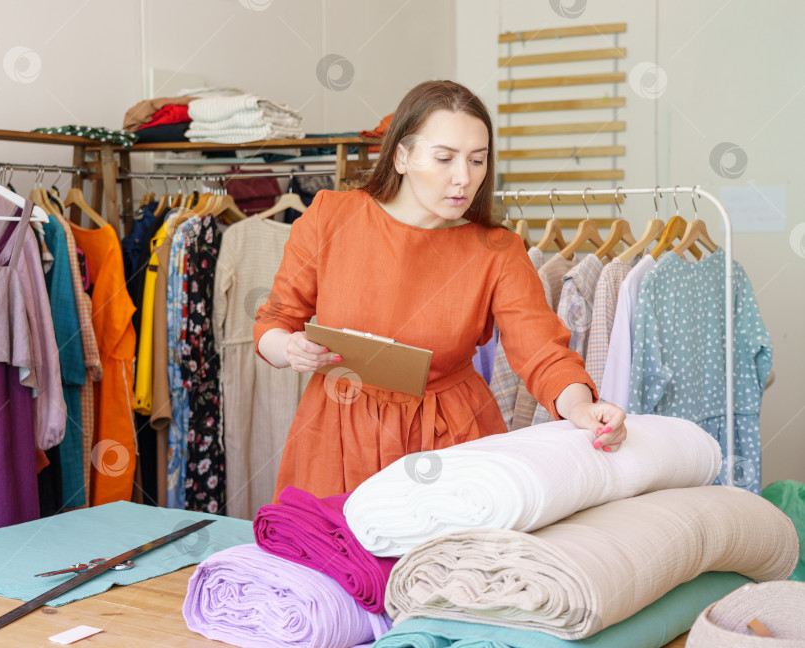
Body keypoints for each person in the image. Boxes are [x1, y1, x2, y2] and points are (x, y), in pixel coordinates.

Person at [255, 80, 627, 500]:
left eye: (477, 160)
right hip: (337, 434)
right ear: (402, 156)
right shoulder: (330, 216)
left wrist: (579, 407)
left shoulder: (497, 250)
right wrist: (288, 348)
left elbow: (544, 353)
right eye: (445, 158)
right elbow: (273, 322)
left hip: (451, 441)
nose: (463, 178)